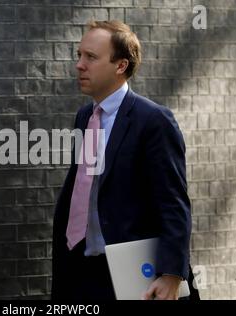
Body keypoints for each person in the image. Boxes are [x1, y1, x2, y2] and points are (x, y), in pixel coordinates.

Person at [51, 20, 199, 300]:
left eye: (91, 57)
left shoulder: (154, 121)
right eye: (79, 56)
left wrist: (171, 275)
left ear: (121, 66)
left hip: (131, 273)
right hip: (81, 269)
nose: (79, 65)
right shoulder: (84, 117)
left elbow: (173, 203)